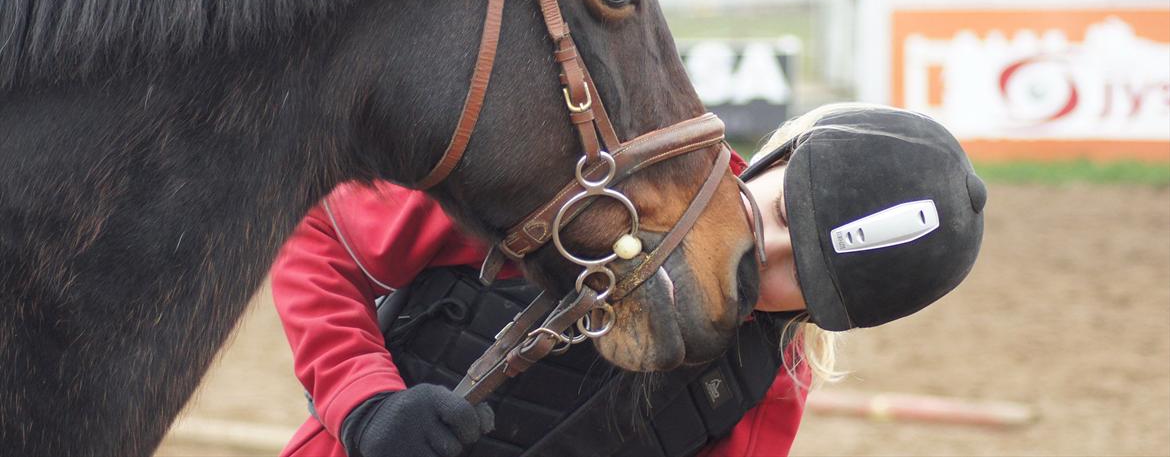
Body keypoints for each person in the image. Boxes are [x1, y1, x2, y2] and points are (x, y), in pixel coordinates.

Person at [273, 103, 986, 457]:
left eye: (794, 271)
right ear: (773, 160)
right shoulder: (588, 182)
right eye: (775, 214)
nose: (756, 252)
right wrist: (365, 401)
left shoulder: (764, 385)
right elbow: (322, 240)